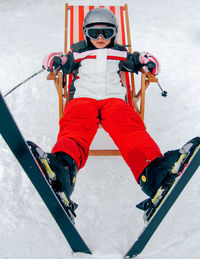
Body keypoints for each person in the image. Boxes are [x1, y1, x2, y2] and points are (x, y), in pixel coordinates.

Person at [29, 8, 199, 210]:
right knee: (75, 127)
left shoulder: (120, 53)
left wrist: (148, 62)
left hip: (113, 101)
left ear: (114, 33)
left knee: (130, 129)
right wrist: (55, 60)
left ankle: (154, 173)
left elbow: (141, 60)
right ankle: (63, 168)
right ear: (85, 33)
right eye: (94, 33)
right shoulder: (77, 53)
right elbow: (56, 59)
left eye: (106, 33)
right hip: (84, 98)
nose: (100, 38)